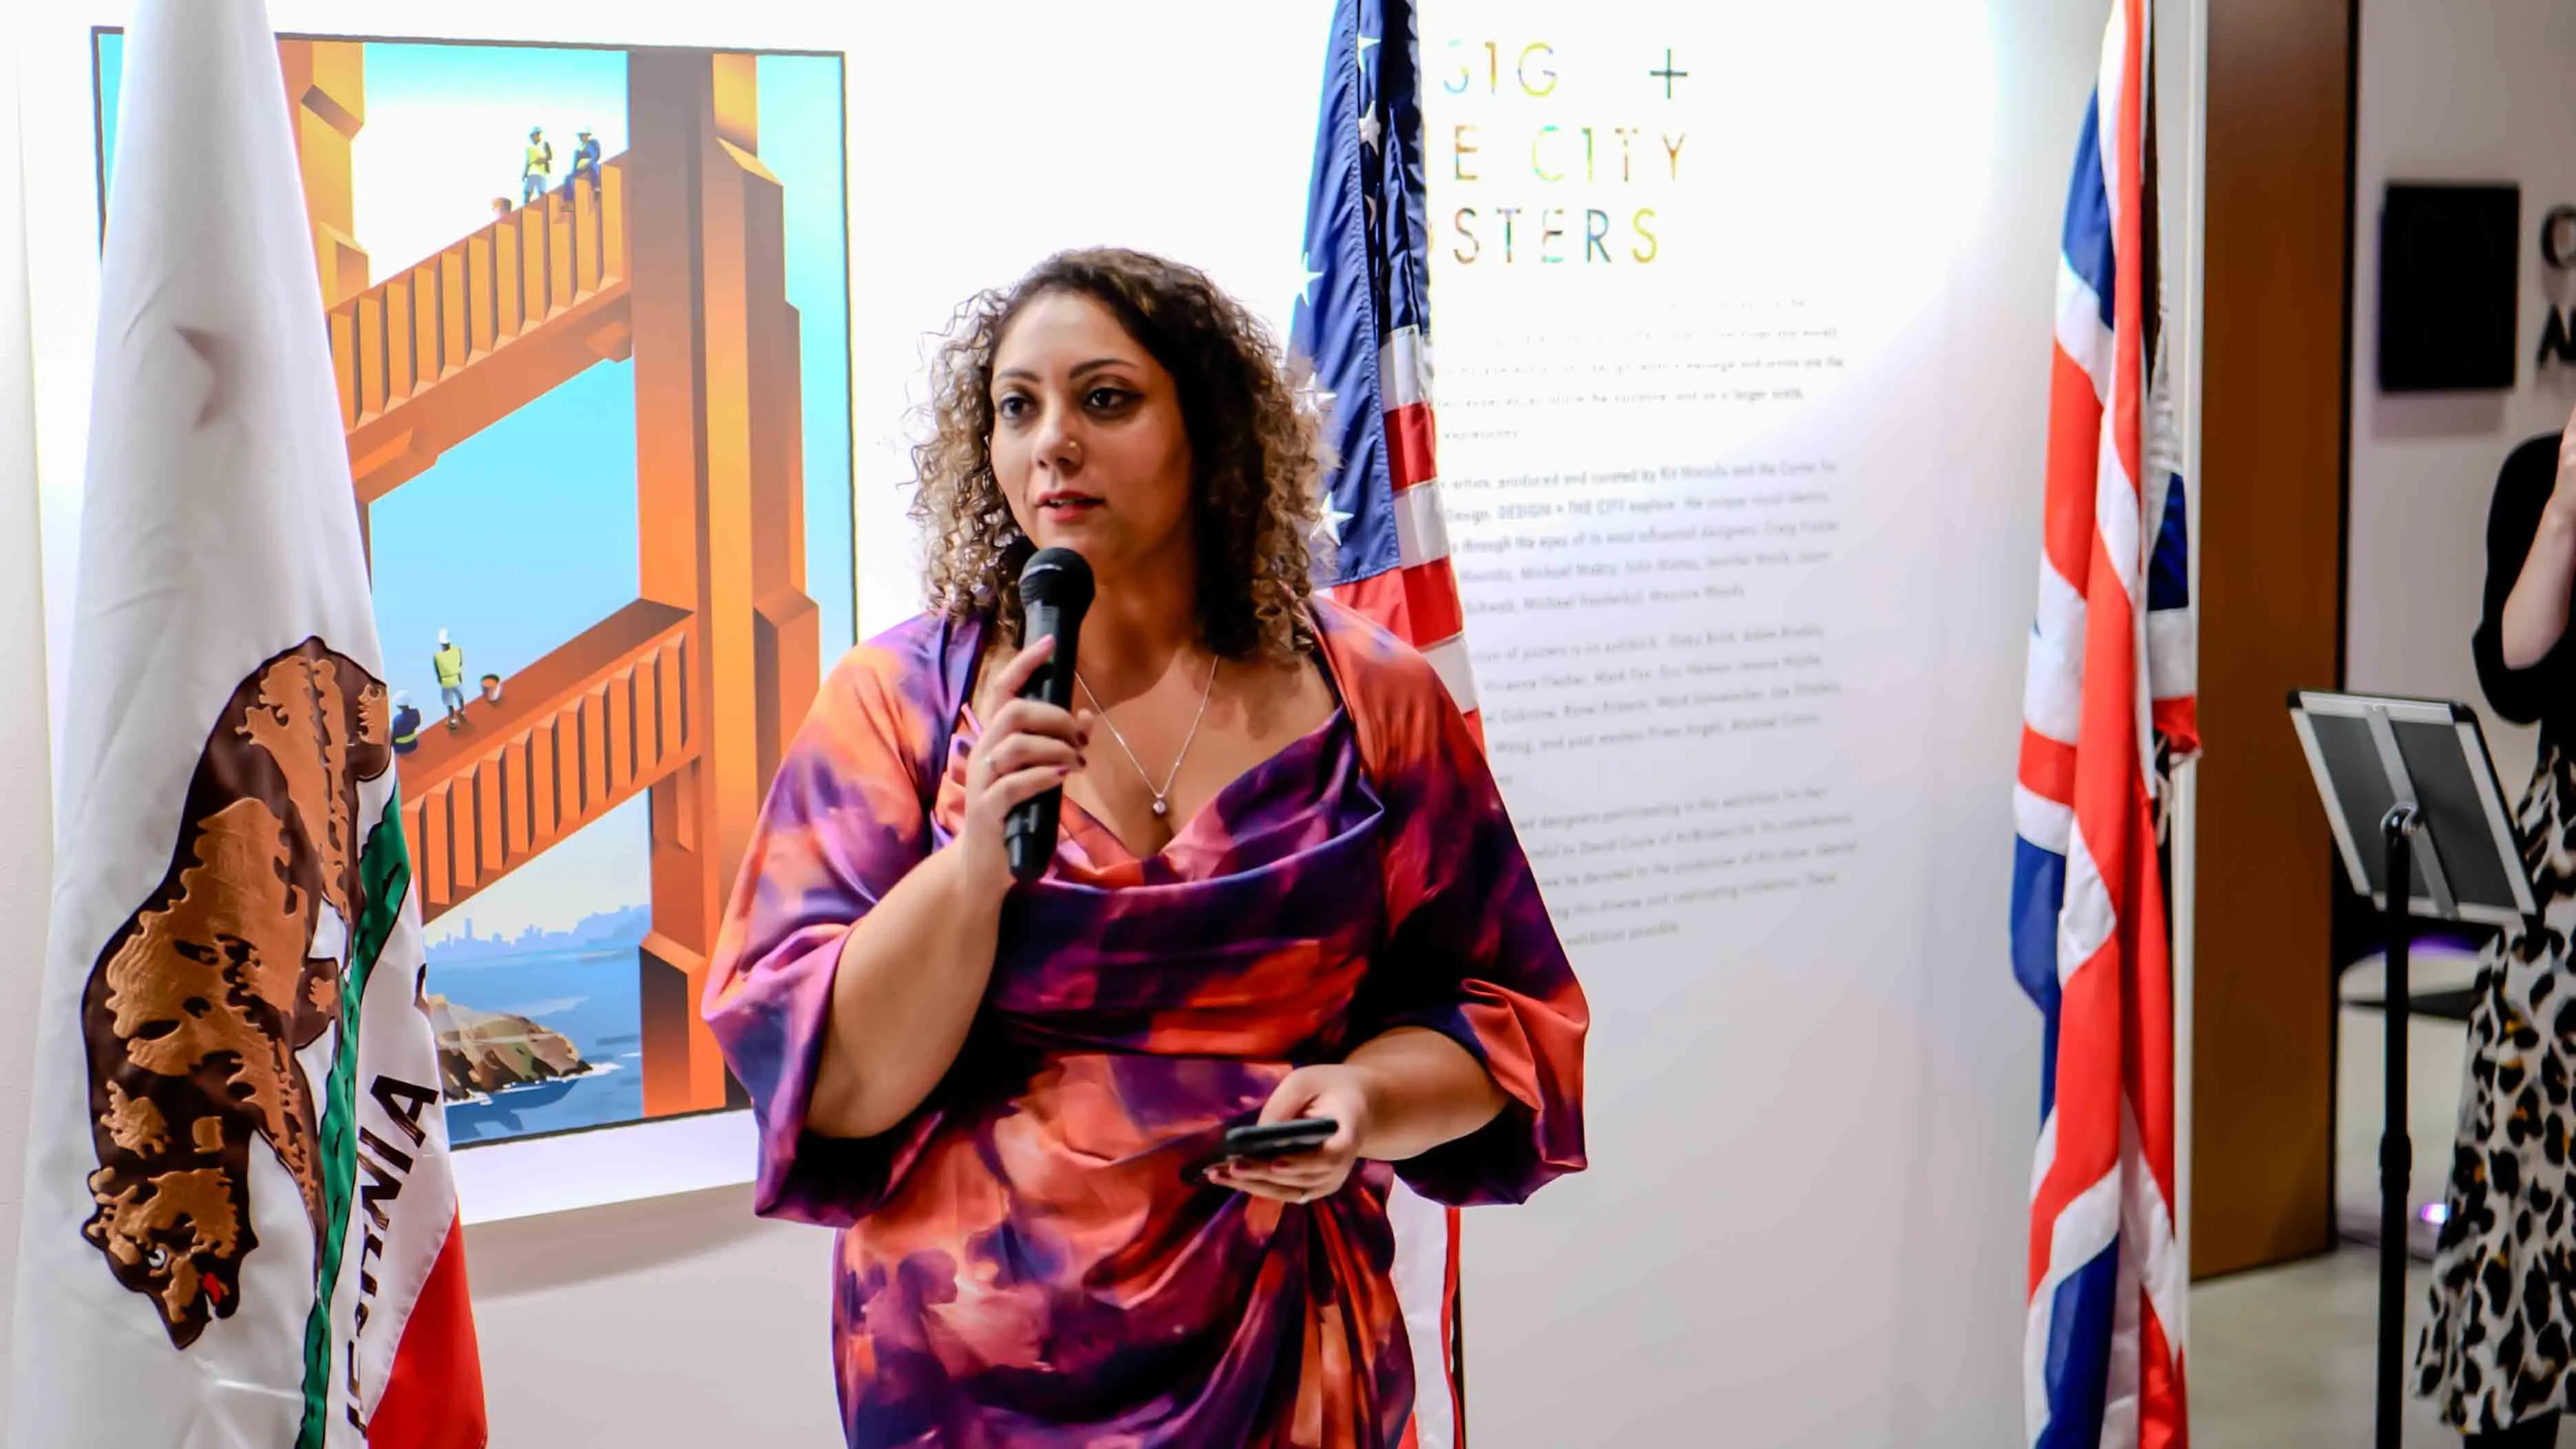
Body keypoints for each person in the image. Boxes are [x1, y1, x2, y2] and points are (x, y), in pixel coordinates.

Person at [704, 248, 1587, 1448]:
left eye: (1103, 399)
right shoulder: (895, 703)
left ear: (1209, 432)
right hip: (974, 1377)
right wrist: (971, 869)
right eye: (1017, 407)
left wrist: (1364, 1101)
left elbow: (1506, 1015)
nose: (1051, 443)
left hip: (1285, 1349)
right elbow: (838, 1088)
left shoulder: (1369, 694)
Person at [2420, 395, 2576, 1447]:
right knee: (2524, 1192)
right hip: (2561, 875)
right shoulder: (2532, 474)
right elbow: (2508, 673)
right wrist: (2565, 508)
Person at [433, 630, 467, 730]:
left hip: (446, 683)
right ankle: (462, 711)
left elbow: (437, 672)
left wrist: (440, 680)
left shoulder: (437, 657)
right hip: (457, 679)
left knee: (449, 703)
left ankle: (452, 719)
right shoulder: (458, 650)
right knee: (460, 697)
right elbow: (460, 664)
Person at [564, 127, 602, 195]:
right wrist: (574, 172)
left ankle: (596, 187)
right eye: (580, 136)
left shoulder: (593, 144)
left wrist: (590, 162)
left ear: (587, 135)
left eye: (583, 135)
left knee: (592, 168)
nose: (581, 137)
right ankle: (570, 197)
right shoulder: (578, 150)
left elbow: (597, 155)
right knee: (568, 178)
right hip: (580, 169)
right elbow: (575, 164)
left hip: (589, 165)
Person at [521, 126, 551, 207]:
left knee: (542, 193)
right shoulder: (529, 149)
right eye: (532, 136)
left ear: (538, 135)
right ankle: (526, 209)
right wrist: (524, 173)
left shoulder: (544, 144)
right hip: (531, 173)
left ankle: (544, 209)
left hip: (541, 173)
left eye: (534, 135)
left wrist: (541, 160)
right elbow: (528, 162)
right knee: (527, 193)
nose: (533, 137)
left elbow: (549, 157)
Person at [390, 692, 423, 756]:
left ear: (398, 706)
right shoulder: (416, 712)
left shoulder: (396, 720)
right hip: (414, 745)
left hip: (401, 749)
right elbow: (418, 724)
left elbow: (394, 737)